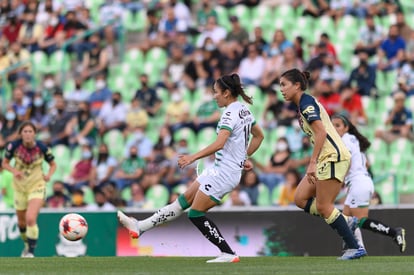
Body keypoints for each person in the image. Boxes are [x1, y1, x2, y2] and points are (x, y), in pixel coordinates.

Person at [118, 73, 264, 263]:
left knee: (195, 213)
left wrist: (193, 157)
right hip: (220, 169)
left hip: (224, 173)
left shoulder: (229, 114)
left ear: (227, 93)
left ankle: (228, 253)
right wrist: (243, 157)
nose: (214, 96)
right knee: (183, 201)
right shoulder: (244, 110)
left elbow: (220, 143)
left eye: (216, 92)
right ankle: (140, 226)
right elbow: (259, 136)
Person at [279, 68, 366, 260]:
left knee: (325, 206)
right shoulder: (302, 104)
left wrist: (312, 162)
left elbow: (321, 133)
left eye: (284, 85)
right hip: (326, 157)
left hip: (332, 156)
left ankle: (354, 247)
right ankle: (346, 221)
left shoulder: (306, 102)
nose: (281, 90)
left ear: (297, 85)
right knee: (300, 199)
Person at [331, 114, 406, 253]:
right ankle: (357, 247)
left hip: (358, 183)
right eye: (332, 125)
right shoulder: (353, 139)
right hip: (361, 181)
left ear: (346, 127)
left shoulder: (344, 141)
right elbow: (366, 163)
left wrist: (338, 180)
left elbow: (346, 162)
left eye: (338, 125)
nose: (334, 129)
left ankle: (394, 232)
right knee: (346, 218)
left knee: (359, 221)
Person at [2, 121, 56, 257]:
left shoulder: (42, 147)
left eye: (30, 131)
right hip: (20, 187)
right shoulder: (13, 146)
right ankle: (27, 245)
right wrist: (15, 171)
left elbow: (53, 164)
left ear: (34, 134)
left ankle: (31, 253)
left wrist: (48, 175)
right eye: (24, 131)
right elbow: (5, 163)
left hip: (37, 185)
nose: (27, 134)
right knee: (21, 222)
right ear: (20, 134)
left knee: (30, 218)